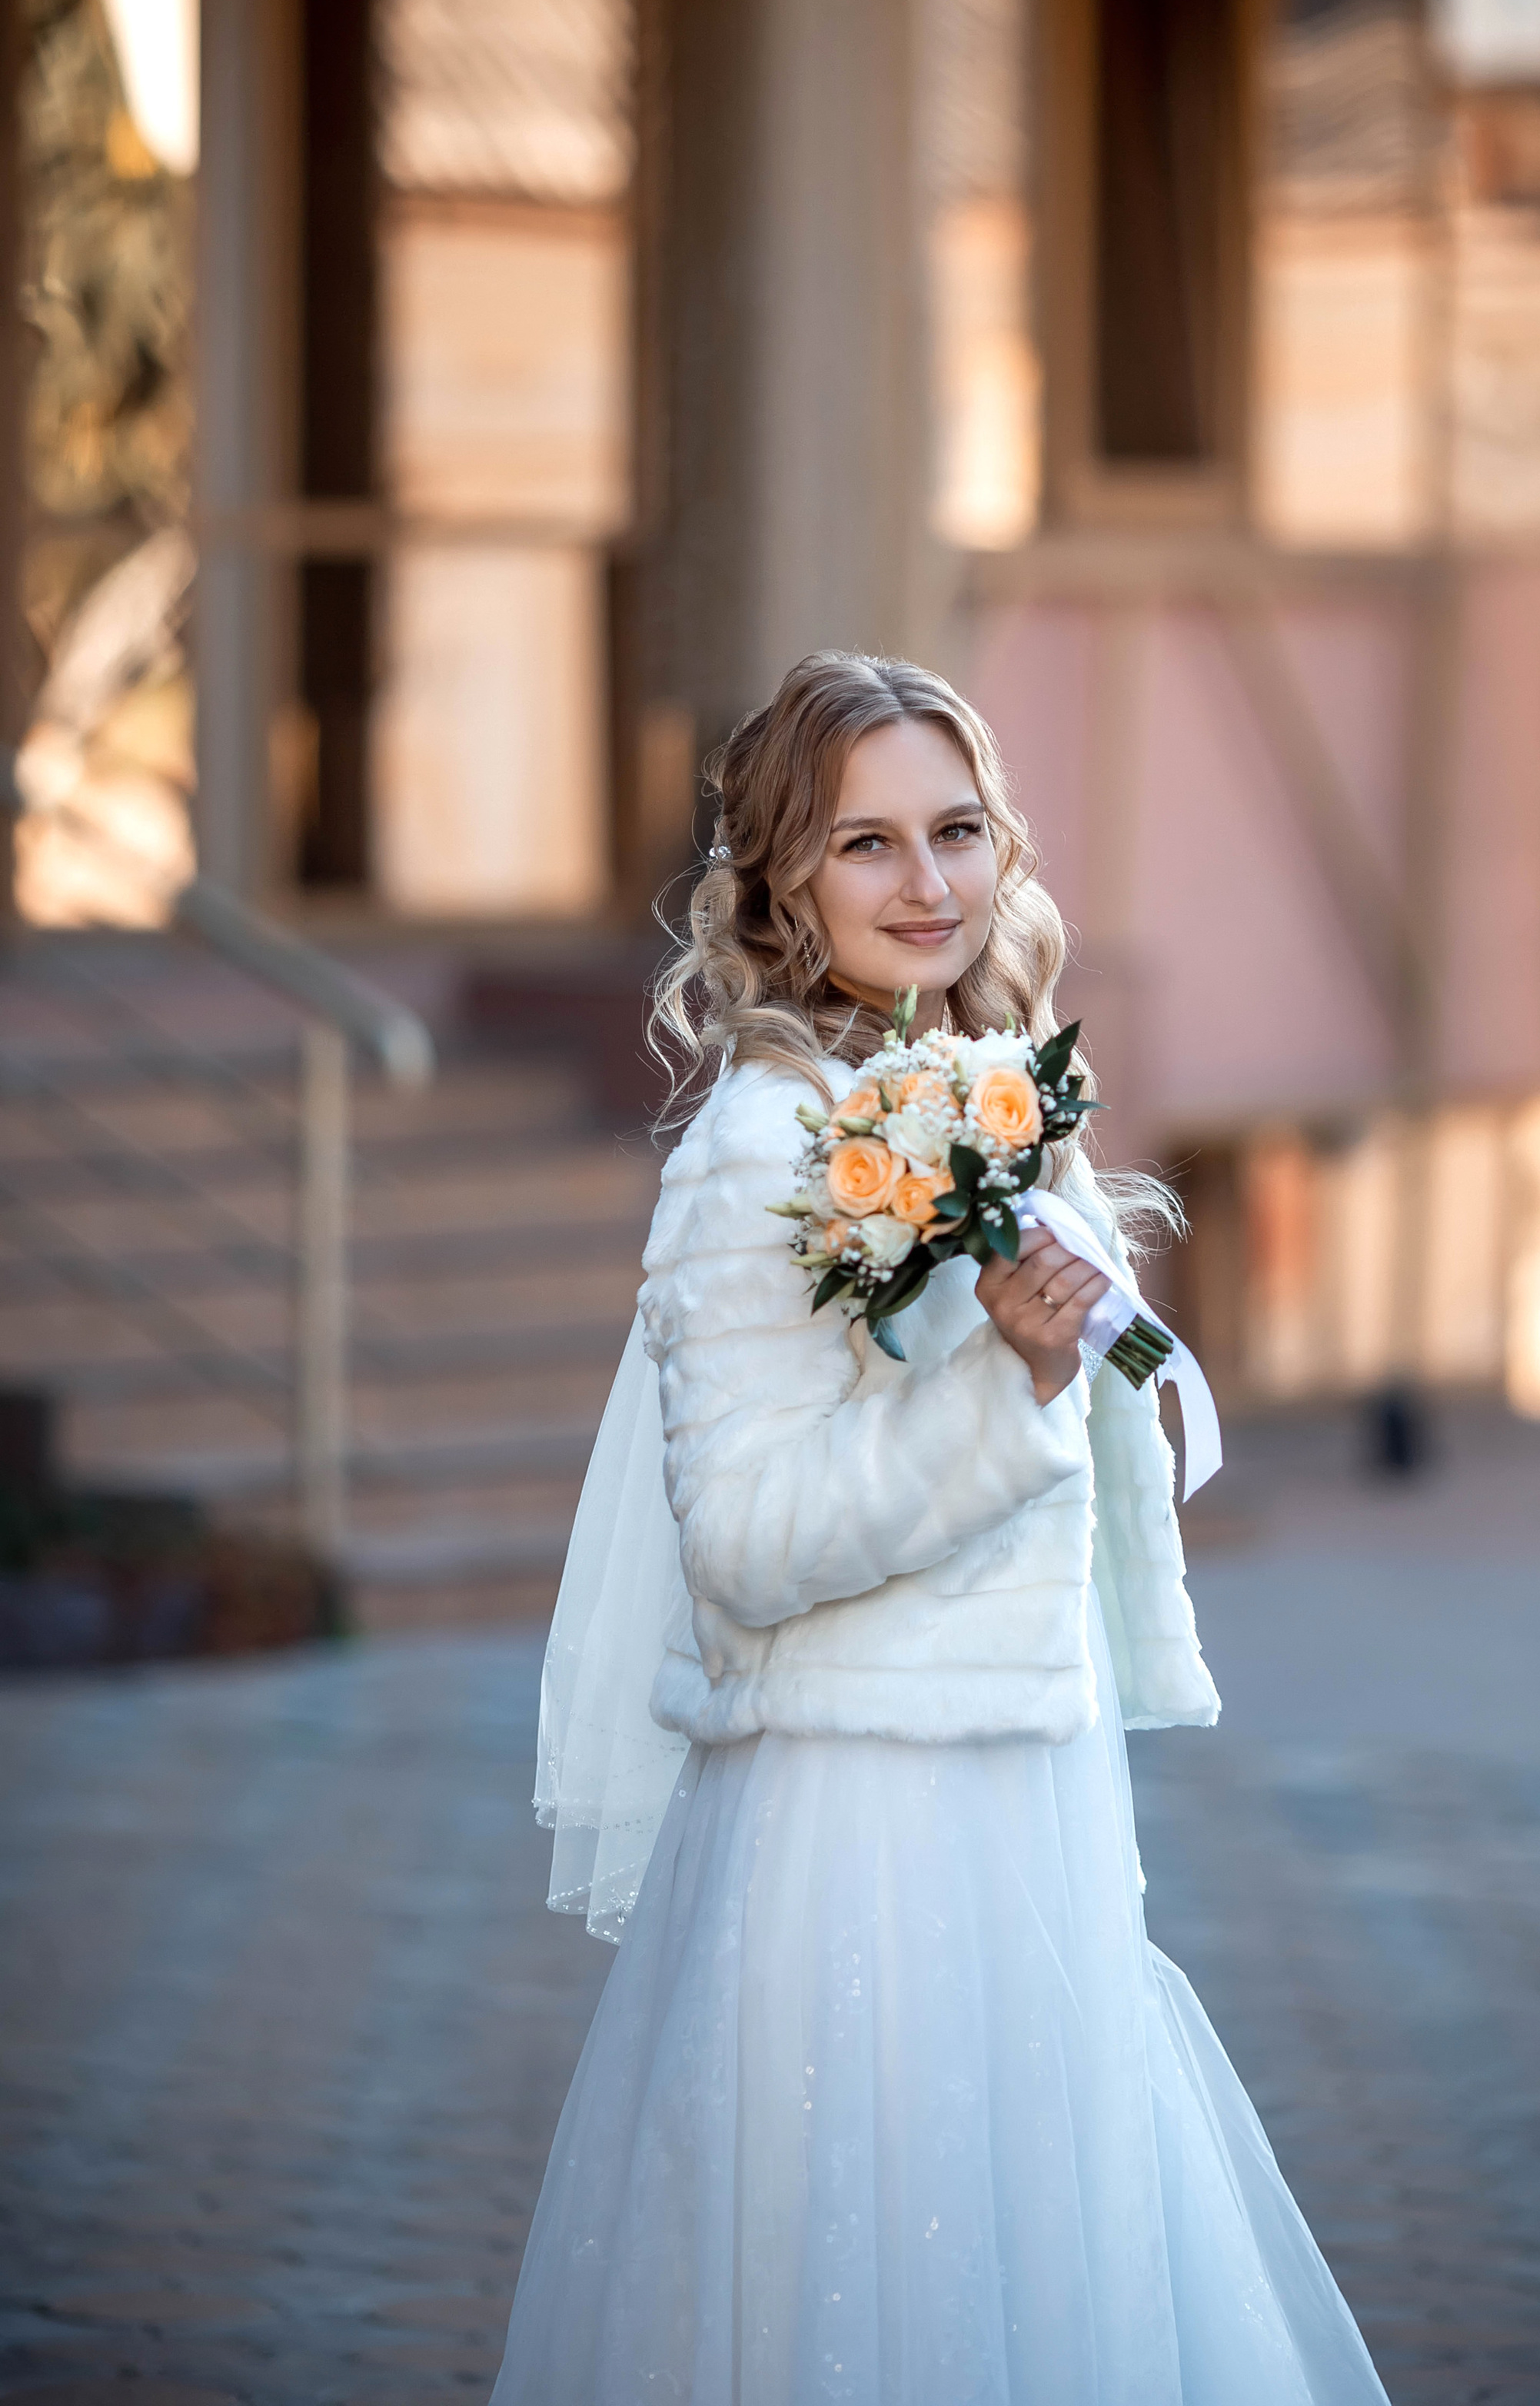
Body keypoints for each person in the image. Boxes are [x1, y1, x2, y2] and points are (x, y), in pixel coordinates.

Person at [491, 651, 1390, 2406]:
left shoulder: (989, 1091)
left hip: (1031, 1781)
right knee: (871, 2271)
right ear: (778, 886)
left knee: (1045, 2259)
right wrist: (1005, 1388)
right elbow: (746, 1542)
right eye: (865, 847)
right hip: (860, 1821)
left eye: (957, 833)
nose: (927, 885)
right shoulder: (756, 1149)